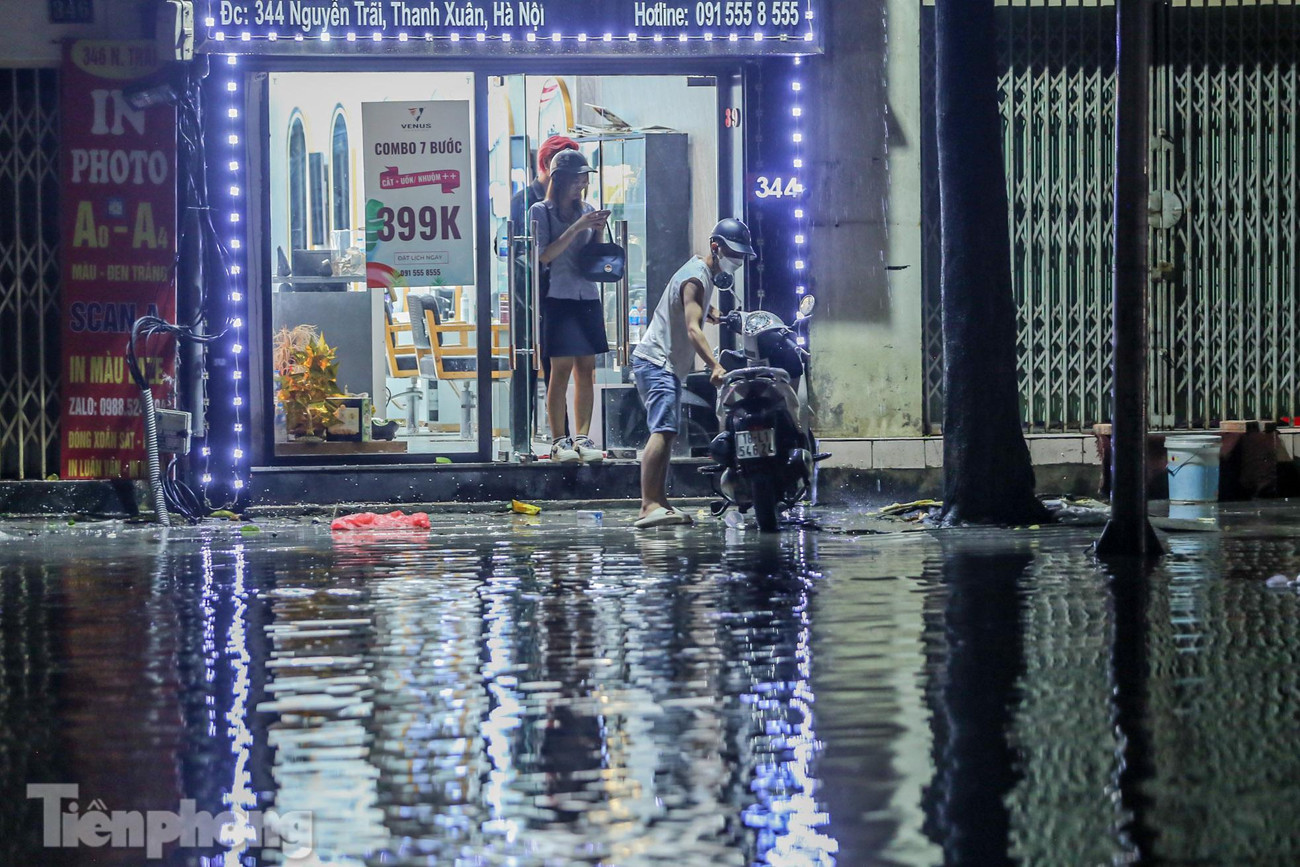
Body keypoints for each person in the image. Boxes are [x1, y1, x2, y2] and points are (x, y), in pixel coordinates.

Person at [632, 218, 758, 529]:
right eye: (734, 253)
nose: (738, 260)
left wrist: (716, 316)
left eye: (742, 255)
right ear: (716, 246)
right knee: (662, 431)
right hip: (658, 362)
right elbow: (692, 327)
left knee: (668, 431)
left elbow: (695, 311)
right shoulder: (697, 280)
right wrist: (714, 364)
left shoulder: (701, 274)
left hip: (662, 364)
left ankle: (659, 504)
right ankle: (649, 505)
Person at [528, 149, 611, 464]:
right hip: (558, 296)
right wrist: (577, 227)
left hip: (587, 295)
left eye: (584, 178)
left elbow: (593, 258)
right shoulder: (541, 211)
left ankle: (583, 437)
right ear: (559, 180)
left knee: (586, 370)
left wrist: (598, 229)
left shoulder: (587, 209)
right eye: (576, 179)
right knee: (559, 370)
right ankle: (558, 440)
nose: (581, 184)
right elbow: (544, 255)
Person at [508, 136, 579, 446]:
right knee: (525, 366)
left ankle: (559, 438)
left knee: (560, 368)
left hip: (563, 293)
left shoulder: (573, 203)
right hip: (530, 294)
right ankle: (521, 441)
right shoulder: (525, 202)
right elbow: (524, 256)